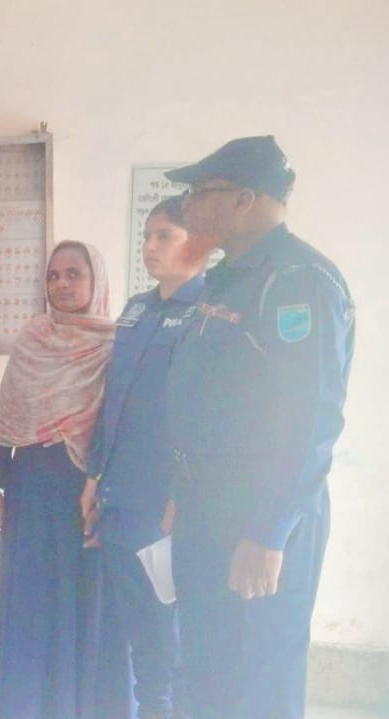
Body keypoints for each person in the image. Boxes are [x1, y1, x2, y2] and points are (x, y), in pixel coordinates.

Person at [164, 136, 354, 719]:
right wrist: (180, 492)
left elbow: (309, 417)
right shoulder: (229, 277)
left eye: (201, 191)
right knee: (205, 666)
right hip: (205, 506)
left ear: (245, 199)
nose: (188, 204)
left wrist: (270, 531)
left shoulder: (299, 281)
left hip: (257, 513)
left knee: (255, 678)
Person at [0, 240, 121, 719]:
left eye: (74, 274)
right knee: (30, 596)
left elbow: (119, 424)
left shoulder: (114, 344)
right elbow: (8, 411)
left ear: (96, 279)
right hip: (31, 485)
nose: (62, 284)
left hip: (86, 489)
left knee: (80, 595)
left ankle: (73, 706)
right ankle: (24, 704)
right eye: (53, 275)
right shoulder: (33, 337)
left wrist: (105, 487)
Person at [79, 197, 208, 718]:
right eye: (147, 236)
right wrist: (94, 475)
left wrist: (183, 494)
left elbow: (203, 416)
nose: (150, 247)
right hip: (119, 498)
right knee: (135, 626)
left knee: (168, 629)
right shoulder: (136, 309)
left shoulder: (209, 311)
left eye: (165, 236)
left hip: (164, 505)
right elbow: (113, 401)